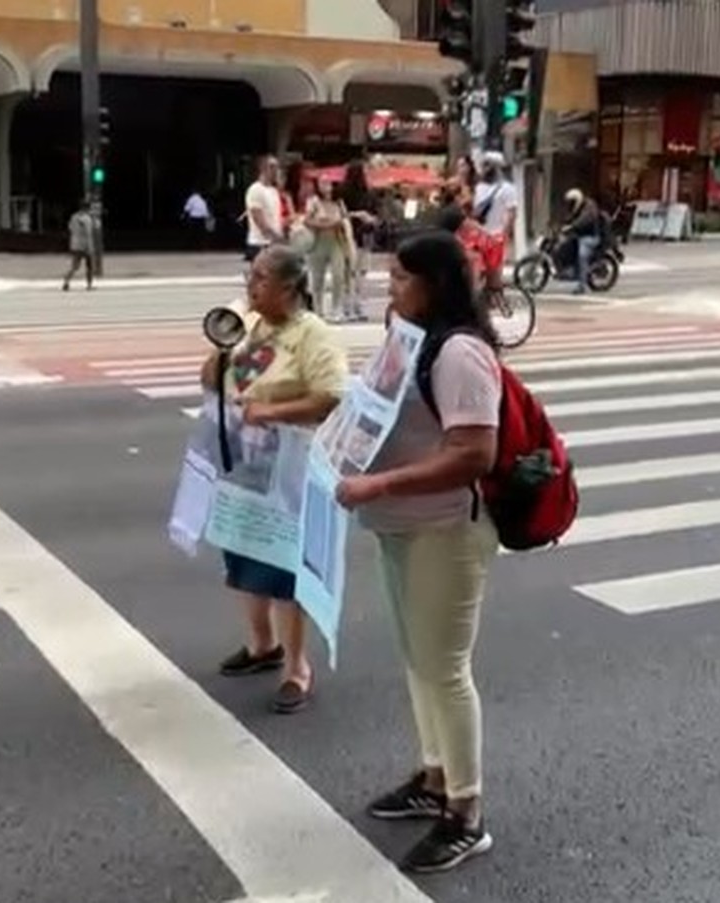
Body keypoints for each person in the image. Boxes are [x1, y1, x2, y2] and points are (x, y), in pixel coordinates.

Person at [335, 231, 502, 874]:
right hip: (402, 525)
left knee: (446, 669)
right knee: (418, 660)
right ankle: (434, 779)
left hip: (446, 530)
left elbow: (473, 454)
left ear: (434, 283)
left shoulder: (460, 352)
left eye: (401, 277)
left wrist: (376, 484)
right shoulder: (410, 342)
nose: (389, 286)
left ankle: (466, 812)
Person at [200, 245, 349, 714]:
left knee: (284, 567)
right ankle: (262, 645)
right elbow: (212, 382)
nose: (251, 284)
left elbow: (330, 396)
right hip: (246, 464)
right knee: (245, 554)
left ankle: (296, 667)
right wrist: (223, 345)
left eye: (261, 278)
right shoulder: (256, 331)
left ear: (288, 287)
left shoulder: (312, 335)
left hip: (291, 466)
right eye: (251, 275)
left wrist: (273, 411)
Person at [304, 177, 350, 322]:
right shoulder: (313, 202)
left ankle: (337, 309)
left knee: (338, 275)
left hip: (336, 242)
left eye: (329, 183)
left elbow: (345, 219)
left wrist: (341, 224)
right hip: (318, 242)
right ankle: (318, 310)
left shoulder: (339, 202)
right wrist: (325, 224)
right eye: (322, 183)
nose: (326, 186)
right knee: (317, 277)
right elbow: (307, 220)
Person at [340, 160, 378, 322]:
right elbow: (340, 213)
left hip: (363, 235)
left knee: (360, 272)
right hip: (349, 234)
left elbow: (376, 216)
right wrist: (358, 215)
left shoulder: (370, 193)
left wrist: (370, 218)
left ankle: (357, 304)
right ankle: (349, 305)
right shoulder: (343, 192)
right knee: (350, 271)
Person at [436, 202, 504, 293]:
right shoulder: (458, 215)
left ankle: (472, 285)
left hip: (443, 240)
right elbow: (473, 225)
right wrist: (490, 235)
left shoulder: (455, 213)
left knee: (473, 255)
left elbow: (471, 228)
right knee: (474, 258)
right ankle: (473, 289)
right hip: (444, 241)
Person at [473, 152, 517, 263]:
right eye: (483, 164)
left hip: (495, 237)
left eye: (488, 165)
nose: (484, 168)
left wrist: (503, 236)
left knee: (493, 272)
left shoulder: (507, 189)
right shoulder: (478, 187)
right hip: (477, 238)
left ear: (497, 167)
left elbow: (511, 214)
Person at [244, 156, 284, 265]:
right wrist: (277, 237)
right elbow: (259, 220)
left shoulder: (274, 191)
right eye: (273, 167)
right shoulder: (255, 190)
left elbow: (276, 217)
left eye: (277, 167)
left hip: (273, 244)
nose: (276, 171)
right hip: (260, 244)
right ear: (264, 169)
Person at [560, 188, 601, 295]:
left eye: (571, 201)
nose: (569, 204)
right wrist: (561, 223)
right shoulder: (575, 207)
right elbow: (570, 217)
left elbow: (585, 219)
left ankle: (582, 286)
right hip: (579, 235)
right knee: (564, 245)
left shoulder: (589, 206)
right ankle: (568, 268)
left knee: (582, 255)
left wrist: (572, 226)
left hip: (590, 236)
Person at [62, 200, 96, 292]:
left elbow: (70, 228)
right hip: (85, 245)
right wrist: (90, 247)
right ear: (87, 208)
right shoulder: (87, 218)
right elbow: (88, 233)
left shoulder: (74, 217)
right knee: (89, 266)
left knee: (74, 266)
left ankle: (66, 281)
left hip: (75, 244)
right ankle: (89, 285)